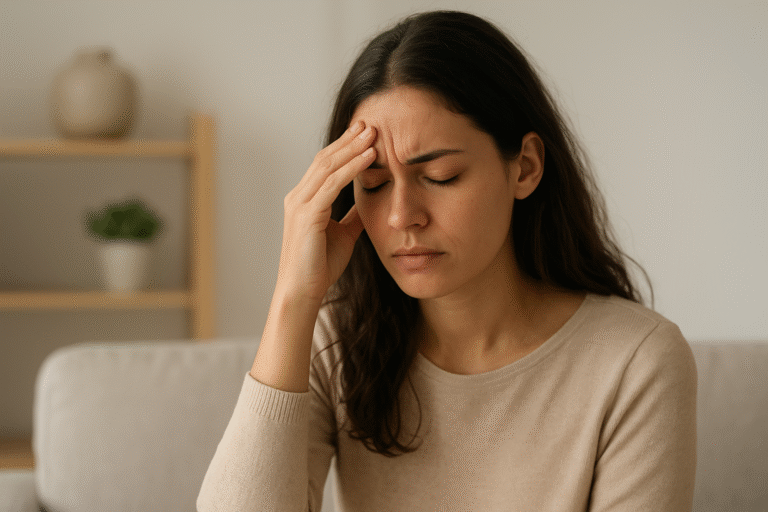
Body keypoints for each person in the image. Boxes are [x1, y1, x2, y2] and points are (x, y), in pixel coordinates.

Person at [197, 10, 697, 512]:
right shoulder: (338, 344)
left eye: (439, 176)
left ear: (524, 167)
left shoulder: (635, 361)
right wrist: (293, 299)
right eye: (373, 183)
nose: (400, 216)